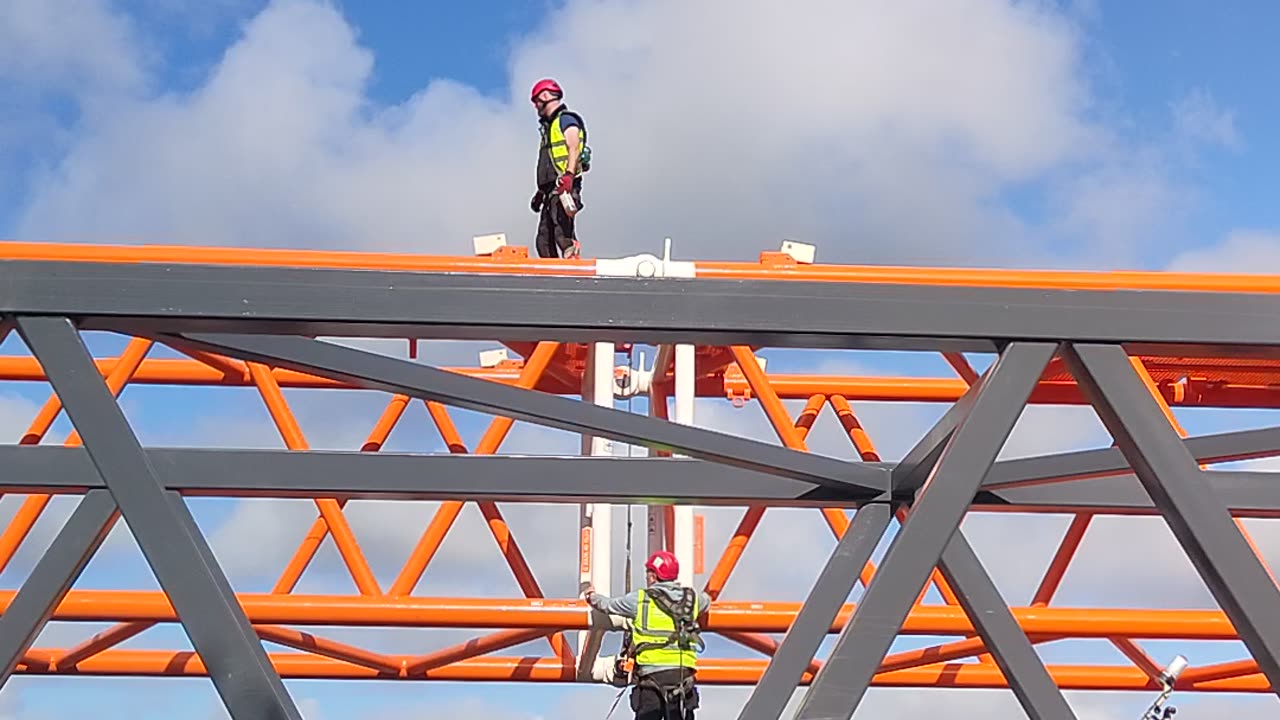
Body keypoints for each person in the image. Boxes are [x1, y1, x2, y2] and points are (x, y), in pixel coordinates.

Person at [584, 550, 710, 720]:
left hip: (652, 676)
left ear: (653, 576)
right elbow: (707, 601)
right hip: (682, 675)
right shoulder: (692, 599)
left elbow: (608, 605)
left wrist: (591, 596)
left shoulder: (641, 600)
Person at [529, 77, 589, 259]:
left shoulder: (566, 120)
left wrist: (569, 176)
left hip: (563, 186)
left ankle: (572, 260)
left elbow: (573, 146)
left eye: (537, 101)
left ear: (546, 96)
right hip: (550, 190)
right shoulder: (548, 129)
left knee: (562, 231)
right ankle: (551, 273)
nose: (536, 106)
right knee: (544, 240)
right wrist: (541, 192)